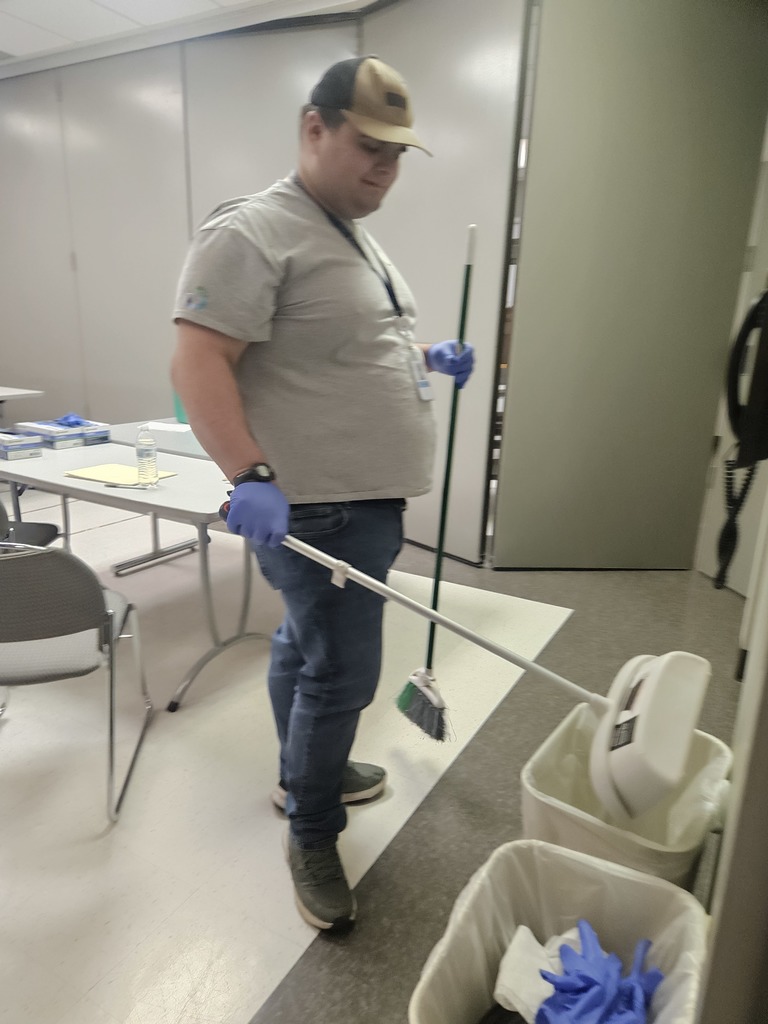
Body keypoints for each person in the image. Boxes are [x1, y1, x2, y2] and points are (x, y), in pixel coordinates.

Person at [170, 54, 475, 931]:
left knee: (305, 654)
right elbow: (198, 361)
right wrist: (249, 476)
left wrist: (423, 358)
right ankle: (312, 828)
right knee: (342, 673)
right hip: (315, 507)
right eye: (368, 147)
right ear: (314, 128)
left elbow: (335, 350)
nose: (384, 168)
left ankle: (302, 771)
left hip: (362, 500)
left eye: (396, 155)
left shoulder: (346, 230)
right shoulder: (255, 229)